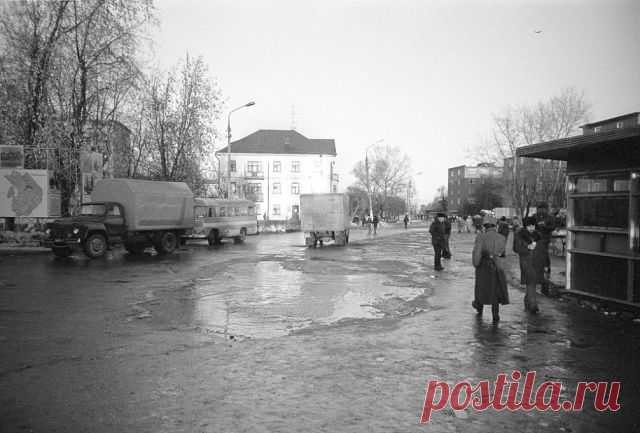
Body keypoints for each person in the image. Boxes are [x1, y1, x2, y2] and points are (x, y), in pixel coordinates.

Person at [471, 215, 509, 323]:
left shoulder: (481, 237)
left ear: (485, 226)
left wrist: (476, 263)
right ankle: (495, 314)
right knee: (495, 290)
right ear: (495, 226)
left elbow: (477, 253)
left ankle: (479, 308)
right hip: (497, 265)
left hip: (484, 266)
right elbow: (502, 253)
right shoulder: (502, 238)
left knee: (481, 288)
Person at [514, 217, 542, 314]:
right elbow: (516, 248)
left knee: (532, 282)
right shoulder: (520, 235)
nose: (531, 228)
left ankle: (527, 301)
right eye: (529, 226)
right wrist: (528, 248)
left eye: (533, 225)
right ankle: (533, 304)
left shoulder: (537, 235)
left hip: (536, 262)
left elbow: (541, 249)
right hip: (525, 261)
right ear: (525, 226)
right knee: (531, 281)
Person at [534, 202, 556, 296]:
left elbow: (553, 227)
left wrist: (545, 226)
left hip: (545, 240)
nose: (541, 210)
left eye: (543, 209)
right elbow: (531, 226)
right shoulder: (535, 216)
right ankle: (538, 283)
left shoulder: (550, 217)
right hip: (536, 240)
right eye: (540, 209)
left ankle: (544, 285)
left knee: (544, 260)